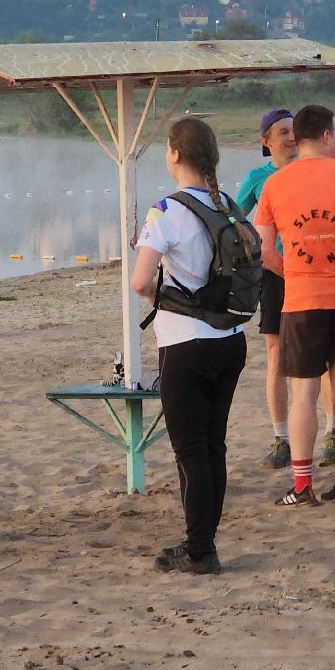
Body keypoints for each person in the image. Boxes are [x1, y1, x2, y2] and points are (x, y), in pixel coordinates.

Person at [132, 117, 249, 575]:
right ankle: (205, 542)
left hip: (185, 344)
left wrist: (159, 297)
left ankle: (199, 549)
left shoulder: (166, 210)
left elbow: (140, 279)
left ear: (175, 155)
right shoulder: (229, 207)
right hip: (230, 341)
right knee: (213, 446)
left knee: (190, 451)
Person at [252, 105, 335, 507]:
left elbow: (262, 248)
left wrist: (292, 271)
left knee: (304, 393)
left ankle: (303, 485)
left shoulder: (275, 185)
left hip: (302, 299)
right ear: (325, 136)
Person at [234, 108, 335, 470]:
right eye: (281, 132)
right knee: (277, 355)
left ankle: (333, 433)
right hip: (276, 276)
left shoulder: (314, 169)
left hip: (315, 273)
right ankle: (281, 437)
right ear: (265, 140)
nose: (290, 137)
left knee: (324, 356)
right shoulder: (258, 178)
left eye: (293, 130)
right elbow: (233, 219)